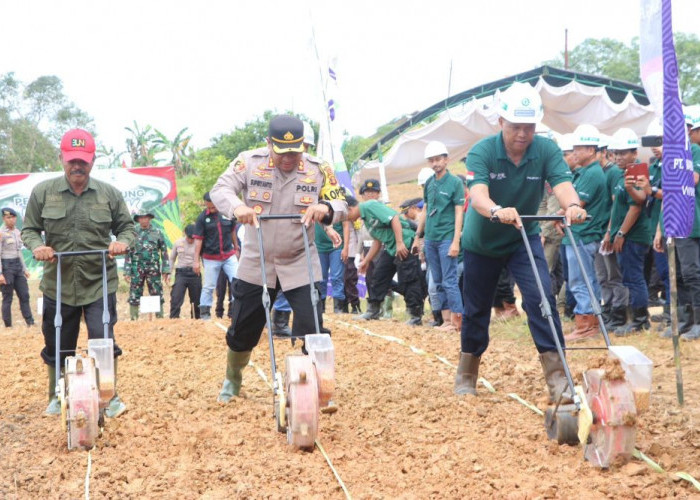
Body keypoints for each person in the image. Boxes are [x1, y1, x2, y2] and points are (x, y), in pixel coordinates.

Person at [455, 82, 586, 403]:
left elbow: (563, 183)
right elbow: (478, 195)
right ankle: (467, 372)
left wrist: (573, 205)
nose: (523, 134)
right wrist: (497, 210)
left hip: (521, 238)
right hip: (481, 242)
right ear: (501, 122)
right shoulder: (483, 151)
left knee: (542, 300)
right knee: (476, 311)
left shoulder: (547, 149)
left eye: (529, 127)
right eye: (516, 127)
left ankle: (559, 379)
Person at [209, 115, 347, 403]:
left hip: (300, 260)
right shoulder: (248, 162)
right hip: (257, 261)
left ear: (303, 146)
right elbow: (220, 190)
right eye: (282, 152)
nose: (289, 159)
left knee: (314, 327)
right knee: (242, 330)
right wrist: (237, 208)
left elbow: (342, 202)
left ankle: (321, 387)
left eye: (295, 152)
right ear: (269, 144)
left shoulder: (319, 168)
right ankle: (233, 378)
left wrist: (325, 207)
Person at [21, 128, 135, 417]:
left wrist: (122, 242)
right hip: (58, 282)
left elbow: (127, 227)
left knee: (102, 339)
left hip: (99, 281)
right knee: (58, 340)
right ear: (61, 158)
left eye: (83, 160)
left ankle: (109, 397)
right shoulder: (43, 192)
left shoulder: (109, 194)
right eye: (72, 160)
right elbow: (30, 229)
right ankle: (57, 396)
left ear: (93, 160)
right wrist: (38, 247)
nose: (77, 166)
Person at [560, 125, 607, 342]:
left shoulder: (591, 173)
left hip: (583, 234)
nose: (574, 152)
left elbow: (576, 204)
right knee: (586, 279)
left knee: (581, 280)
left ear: (590, 149)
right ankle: (589, 321)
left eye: (578, 148)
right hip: (578, 234)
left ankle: (586, 325)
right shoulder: (585, 172)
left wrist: (556, 216)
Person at [347, 195, 425, 326]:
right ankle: (373, 310)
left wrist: (400, 243)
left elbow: (394, 218)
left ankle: (415, 316)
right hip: (390, 247)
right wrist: (366, 261)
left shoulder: (369, 205)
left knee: (409, 279)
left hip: (404, 242)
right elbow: (377, 241)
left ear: (349, 209)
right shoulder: (365, 219)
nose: (346, 219)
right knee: (378, 275)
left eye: (345, 215)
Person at [412, 141, 465, 332]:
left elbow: (459, 212)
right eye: (431, 160)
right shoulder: (429, 183)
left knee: (450, 280)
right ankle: (446, 321)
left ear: (446, 159)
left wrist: (456, 240)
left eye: (438, 159)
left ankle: (457, 321)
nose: (435, 163)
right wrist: (418, 236)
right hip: (432, 239)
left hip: (447, 237)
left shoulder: (455, 183)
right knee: (439, 279)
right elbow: (426, 210)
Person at [605, 128, 652, 336]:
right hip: (624, 235)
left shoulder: (637, 175)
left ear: (634, 153)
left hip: (634, 236)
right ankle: (637, 319)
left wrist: (621, 233)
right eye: (616, 153)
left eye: (623, 153)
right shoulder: (622, 175)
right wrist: (611, 232)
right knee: (629, 277)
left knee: (634, 278)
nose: (618, 157)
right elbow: (617, 208)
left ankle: (640, 321)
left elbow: (637, 204)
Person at [193, 192, 239, 320]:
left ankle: (237, 310)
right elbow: (198, 240)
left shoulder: (227, 213)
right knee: (209, 286)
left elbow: (232, 230)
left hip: (229, 255)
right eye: (208, 207)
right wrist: (196, 261)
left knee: (237, 281)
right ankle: (205, 314)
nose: (211, 210)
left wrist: (236, 247)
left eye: (213, 207)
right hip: (211, 258)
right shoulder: (202, 218)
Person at [124, 212, 170, 319]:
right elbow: (128, 252)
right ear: (138, 220)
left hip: (153, 268)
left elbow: (164, 252)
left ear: (149, 218)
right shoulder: (133, 233)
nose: (144, 220)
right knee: (135, 292)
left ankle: (160, 317)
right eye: (141, 218)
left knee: (157, 291)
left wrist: (166, 269)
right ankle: (134, 319)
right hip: (136, 268)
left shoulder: (157, 232)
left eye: (146, 218)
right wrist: (127, 270)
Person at [0, 207, 35, 328]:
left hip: (17, 266)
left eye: (13, 217)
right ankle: (8, 325)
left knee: (24, 294)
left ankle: (30, 322)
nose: (11, 220)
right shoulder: (1, 233)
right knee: (8, 297)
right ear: (4, 219)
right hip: (6, 266)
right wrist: (0, 273)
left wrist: (25, 268)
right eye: (8, 217)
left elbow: (19, 251)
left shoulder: (17, 232)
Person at [168, 224, 202, 319]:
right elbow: (172, 259)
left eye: (193, 238)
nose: (191, 240)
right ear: (185, 234)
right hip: (181, 274)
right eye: (189, 237)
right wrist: (169, 273)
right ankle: (174, 319)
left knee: (197, 300)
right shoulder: (178, 242)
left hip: (195, 274)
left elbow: (204, 259)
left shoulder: (199, 243)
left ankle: (196, 320)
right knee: (176, 297)